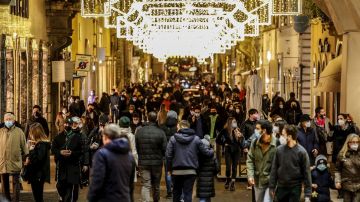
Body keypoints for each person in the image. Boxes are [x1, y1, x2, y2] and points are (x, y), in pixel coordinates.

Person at [166, 120, 214, 202]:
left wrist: (169, 169)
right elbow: (206, 153)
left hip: (176, 172)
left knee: (176, 193)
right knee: (188, 193)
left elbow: (168, 155)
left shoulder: (173, 139)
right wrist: (212, 150)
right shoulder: (196, 139)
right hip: (191, 171)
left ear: (181, 127)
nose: (177, 129)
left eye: (178, 127)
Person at [87, 124, 136, 202]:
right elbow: (130, 184)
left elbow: (97, 181)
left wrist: (91, 198)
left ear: (106, 137)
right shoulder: (129, 156)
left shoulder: (101, 155)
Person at [269, 125, 312, 202]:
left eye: (283, 134)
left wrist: (307, 194)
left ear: (289, 136)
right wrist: (272, 186)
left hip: (295, 187)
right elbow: (274, 169)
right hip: (281, 186)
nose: (281, 137)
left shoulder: (302, 152)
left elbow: (307, 173)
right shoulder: (279, 150)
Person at [135, 111, 167, 202]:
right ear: (156, 118)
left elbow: (137, 147)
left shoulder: (140, 131)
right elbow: (165, 148)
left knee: (146, 185)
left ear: (148, 119)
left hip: (143, 162)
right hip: (157, 163)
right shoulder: (161, 132)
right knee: (156, 185)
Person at [52, 117, 84, 202]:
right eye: (64, 124)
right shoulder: (58, 137)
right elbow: (53, 149)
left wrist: (72, 153)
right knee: (60, 186)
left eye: (68, 124)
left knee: (71, 190)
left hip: (73, 166)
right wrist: (60, 152)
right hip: (62, 166)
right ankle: (62, 198)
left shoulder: (78, 137)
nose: (66, 126)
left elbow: (81, 151)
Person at [0, 112, 29, 202]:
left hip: (15, 160)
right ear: (4, 121)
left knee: (16, 182)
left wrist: (27, 156)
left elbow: (24, 146)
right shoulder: (0, 131)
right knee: (4, 183)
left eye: (10, 119)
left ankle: (16, 200)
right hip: (3, 161)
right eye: (6, 119)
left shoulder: (19, 131)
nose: (8, 121)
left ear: (13, 120)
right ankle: (6, 199)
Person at [246, 120, 277, 202]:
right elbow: (250, 160)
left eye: (257, 128)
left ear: (264, 130)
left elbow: (279, 165)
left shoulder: (276, 144)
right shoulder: (255, 142)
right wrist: (250, 175)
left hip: (271, 182)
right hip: (258, 181)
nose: (255, 130)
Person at [25, 123, 51, 202]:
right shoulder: (39, 144)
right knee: (38, 196)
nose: (30, 134)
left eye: (31, 132)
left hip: (38, 174)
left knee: (38, 197)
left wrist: (31, 150)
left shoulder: (41, 145)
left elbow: (38, 160)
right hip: (37, 174)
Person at [217, 117, 245, 191]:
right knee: (228, 167)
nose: (235, 123)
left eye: (235, 122)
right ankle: (228, 179)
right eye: (233, 122)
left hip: (236, 150)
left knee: (235, 167)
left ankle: (233, 182)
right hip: (228, 150)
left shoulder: (237, 130)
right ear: (229, 123)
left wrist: (240, 137)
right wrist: (224, 143)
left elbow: (241, 142)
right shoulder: (225, 130)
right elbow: (218, 139)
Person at [335, 134, 360, 202]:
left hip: (358, 185)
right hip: (346, 185)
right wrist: (337, 181)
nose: (355, 144)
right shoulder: (342, 155)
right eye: (353, 142)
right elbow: (337, 170)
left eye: (357, 142)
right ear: (348, 143)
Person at [159, 110, 179, 198]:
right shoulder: (178, 127)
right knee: (176, 172)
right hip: (176, 153)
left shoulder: (162, 126)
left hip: (166, 154)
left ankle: (169, 192)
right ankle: (176, 190)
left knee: (168, 172)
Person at [196, 135, 218, 202]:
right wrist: (212, 173)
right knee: (208, 198)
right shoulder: (213, 155)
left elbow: (196, 167)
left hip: (201, 181)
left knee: (202, 199)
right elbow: (217, 168)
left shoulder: (198, 156)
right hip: (210, 181)